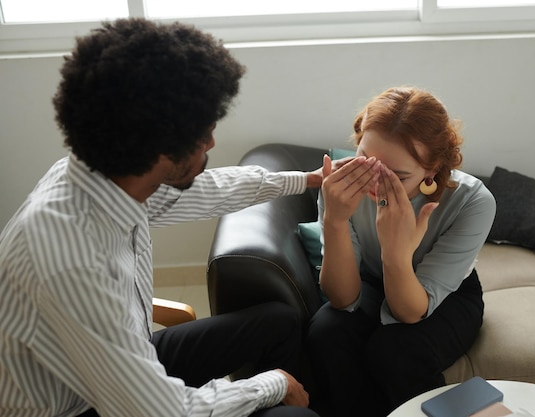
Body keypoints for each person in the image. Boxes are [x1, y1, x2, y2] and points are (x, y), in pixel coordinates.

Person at [0, 18, 378, 417]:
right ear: (162, 147)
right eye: (205, 132)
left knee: (278, 322)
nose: (212, 141)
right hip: (81, 407)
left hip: (116, 363)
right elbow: (160, 412)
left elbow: (209, 189)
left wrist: (309, 180)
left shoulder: (104, 175)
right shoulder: (69, 258)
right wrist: (272, 385)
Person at [305, 86, 497, 417]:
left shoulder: (472, 202)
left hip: (446, 297)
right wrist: (335, 221)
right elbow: (342, 299)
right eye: (366, 161)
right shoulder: (340, 184)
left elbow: (410, 313)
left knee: (397, 350)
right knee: (327, 331)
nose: (375, 183)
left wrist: (396, 250)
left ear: (433, 167)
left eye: (398, 176)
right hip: (371, 278)